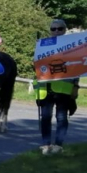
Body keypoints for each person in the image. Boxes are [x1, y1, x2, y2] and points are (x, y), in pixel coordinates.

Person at [33, 19, 79, 155]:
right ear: (50, 30)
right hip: (45, 87)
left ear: (65, 30)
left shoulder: (72, 46)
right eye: (53, 29)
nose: (56, 31)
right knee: (46, 117)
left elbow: (77, 67)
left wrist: (76, 86)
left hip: (64, 88)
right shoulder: (43, 45)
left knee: (62, 118)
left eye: (59, 29)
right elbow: (36, 64)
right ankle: (46, 144)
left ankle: (58, 145)